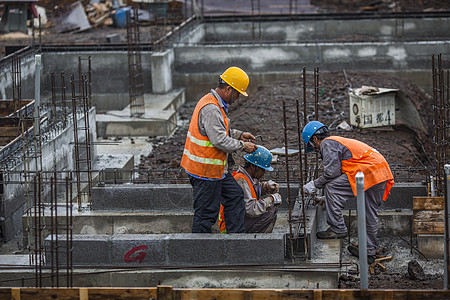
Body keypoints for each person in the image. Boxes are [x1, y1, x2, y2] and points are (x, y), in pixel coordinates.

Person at [301, 121, 394, 263]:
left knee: (331, 187)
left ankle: (337, 228)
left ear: (314, 139)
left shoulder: (327, 143)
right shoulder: (338, 141)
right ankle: (369, 251)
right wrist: (327, 199)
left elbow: (332, 173)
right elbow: (343, 176)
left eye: (313, 147)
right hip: (379, 171)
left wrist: (314, 184)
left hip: (369, 171)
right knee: (368, 211)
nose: (315, 149)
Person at [180, 66, 258, 233]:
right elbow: (219, 140)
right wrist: (243, 146)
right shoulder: (211, 108)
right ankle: (201, 252)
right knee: (206, 213)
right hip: (205, 172)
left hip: (216, 171)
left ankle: (236, 239)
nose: (237, 98)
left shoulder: (215, 103)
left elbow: (218, 131)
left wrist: (239, 135)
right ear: (228, 88)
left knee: (235, 196)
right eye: (237, 93)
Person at [218, 146, 282, 233]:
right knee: (270, 210)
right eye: (262, 169)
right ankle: (250, 240)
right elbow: (251, 210)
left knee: (270, 208)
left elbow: (253, 190)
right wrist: (271, 199)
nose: (264, 173)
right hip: (229, 227)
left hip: (236, 220)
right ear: (253, 166)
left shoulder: (247, 177)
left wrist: (265, 187)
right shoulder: (241, 180)